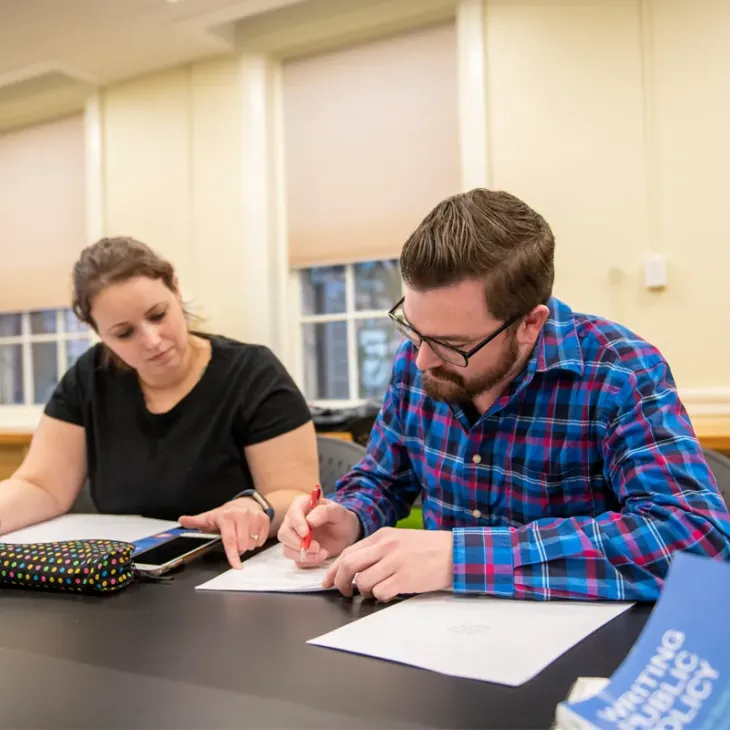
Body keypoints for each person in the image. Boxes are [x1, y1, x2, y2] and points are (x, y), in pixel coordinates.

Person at [278, 188, 730, 602]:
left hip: (574, 648)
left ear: (530, 324)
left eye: (453, 345)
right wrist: (350, 516)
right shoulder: (417, 359)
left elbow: (694, 538)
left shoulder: (620, 372)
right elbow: (384, 479)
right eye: (413, 330)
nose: (421, 362)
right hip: (434, 634)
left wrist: (460, 558)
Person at [0, 236, 318, 569]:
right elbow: (41, 486)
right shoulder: (89, 378)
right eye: (124, 333)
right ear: (97, 331)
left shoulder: (253, 374)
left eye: (158, 315)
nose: (152, 340)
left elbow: (295, 494)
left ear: (176, 290)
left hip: (230, 573)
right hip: (125, 578)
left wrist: (255, 508)